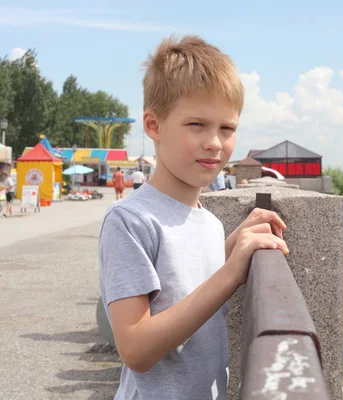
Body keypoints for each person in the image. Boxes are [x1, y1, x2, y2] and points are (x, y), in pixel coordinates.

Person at [98, 35, 289, 400]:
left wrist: (233, 245)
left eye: (227, 128)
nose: (215, 142)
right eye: (197, 125)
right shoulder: (131, 221)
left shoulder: (209, 220)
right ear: (153, 126)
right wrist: (233, 271)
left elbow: (186, 283)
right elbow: (135, 348)